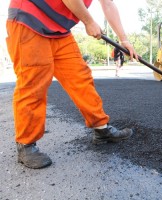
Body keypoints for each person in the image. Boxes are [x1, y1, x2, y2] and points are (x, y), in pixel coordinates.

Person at [6, 0, 138, 169]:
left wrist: (124, 39)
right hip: (29, 19)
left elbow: (108, 4)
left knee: (80, 77)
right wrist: (89, 22)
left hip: (60, 31)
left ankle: (101, 128)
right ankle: (26, 145)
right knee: (34, 83)